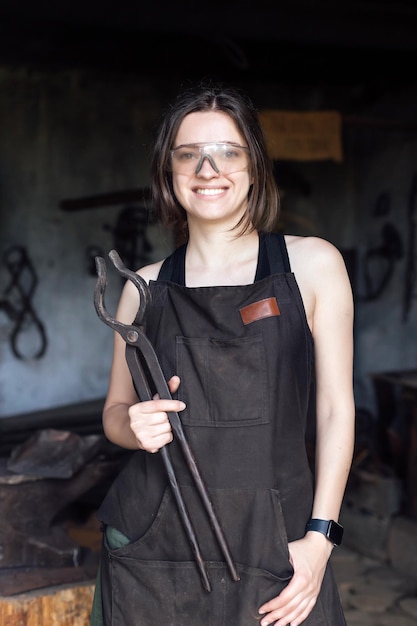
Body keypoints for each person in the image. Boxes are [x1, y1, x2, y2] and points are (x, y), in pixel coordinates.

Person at [90, 82, 355, 626]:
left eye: (228, 152)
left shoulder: (312, 266)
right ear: (170, 173)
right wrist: (133, 425)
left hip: (277, 546)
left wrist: (320, 539)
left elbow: (335, 412)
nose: (208, 169)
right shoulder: (141, 287)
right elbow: (114, 416)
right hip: (154, 551)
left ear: (254, 165)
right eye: (189, 155)